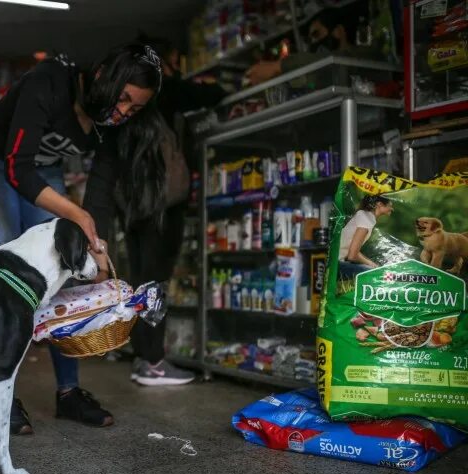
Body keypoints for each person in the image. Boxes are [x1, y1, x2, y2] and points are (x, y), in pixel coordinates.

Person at [0, 45, 165, 434]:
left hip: (45, 170)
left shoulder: (112, 123)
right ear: (103, 73)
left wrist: (94, 246)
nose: (123, 112)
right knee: (5, 275)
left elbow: (98, 196)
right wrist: (75, 215)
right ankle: (1, 391)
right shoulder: (48, 84)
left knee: (68, 266)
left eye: (134, 109)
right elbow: (17, 168)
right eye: (123, 98)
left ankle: (69, 393)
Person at [96, 34, 226, 386]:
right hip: (161, 202)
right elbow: (213, 94)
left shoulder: (125, 101)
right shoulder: (160, 88)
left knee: (141, 278)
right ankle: (153, 361)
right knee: (156, 280)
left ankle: (143, 357)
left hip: (134, 205)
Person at [245, 8, 383, 86]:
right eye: (310, 39)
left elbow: (332, 61)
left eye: (317, 34)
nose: (314, 42)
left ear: (338, 31)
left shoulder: (363, 55)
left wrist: (276, 67)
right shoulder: (321, 73)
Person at [338, 194, 393, 278]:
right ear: (379, 204)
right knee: (379, 275)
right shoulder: (366, 218)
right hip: (336, 265)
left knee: (376, 270)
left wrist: (372, 264)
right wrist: (372, 265)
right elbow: (352, 255)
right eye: (390, 205)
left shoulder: (366, 216)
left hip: (339, 262)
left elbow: (354, 251)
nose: (392, 208)